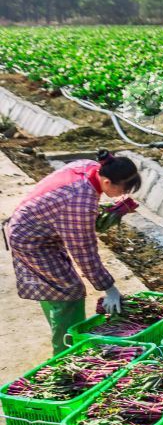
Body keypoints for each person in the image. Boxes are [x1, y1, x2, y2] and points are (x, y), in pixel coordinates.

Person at [7, 150, 141, 353]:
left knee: (53, 288)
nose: (124, 195)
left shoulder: (89, 167)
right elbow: (83, 251)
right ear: (106, 182)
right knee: (69, 292)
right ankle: (66, 352)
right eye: (123, 189)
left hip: (34, 227)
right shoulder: (80, 199)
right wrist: (109, 287)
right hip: (32, 241)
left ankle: (61, 328)